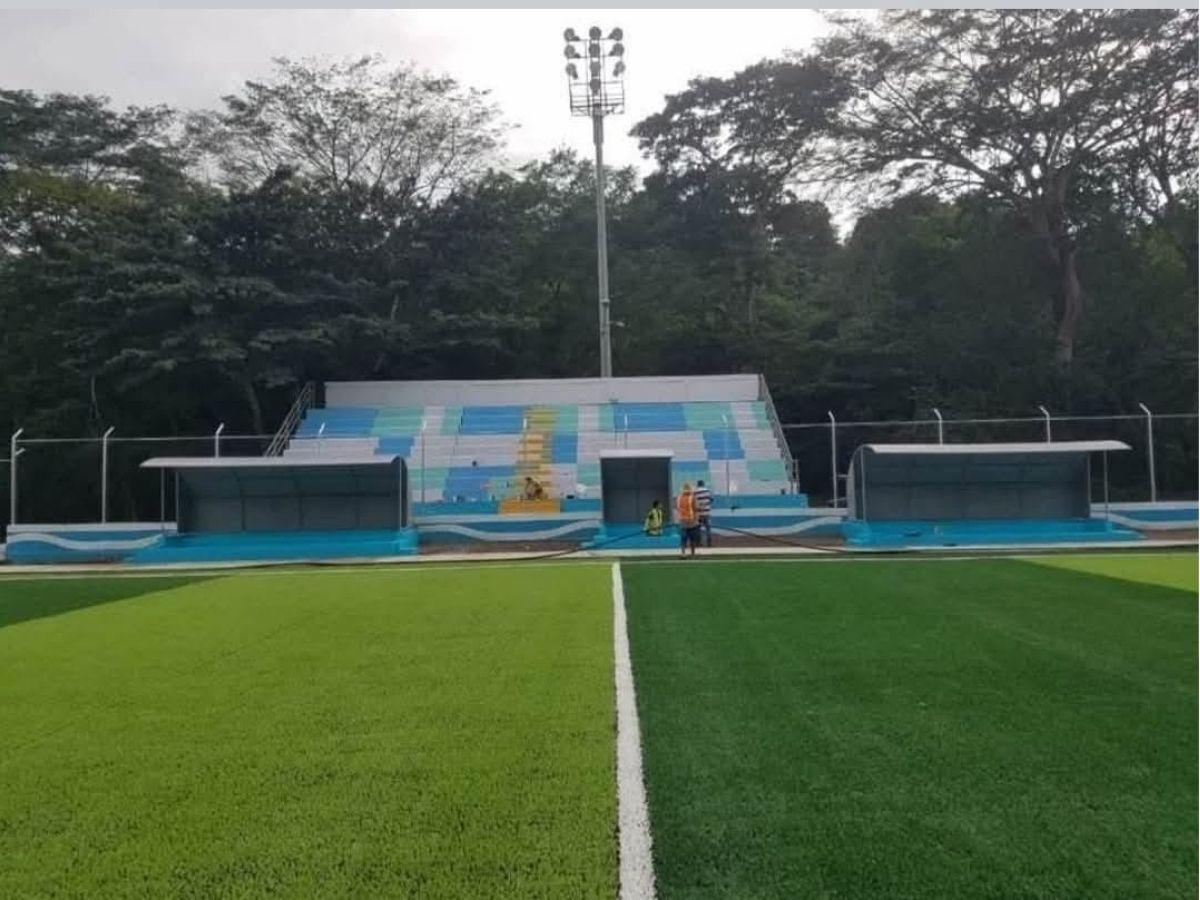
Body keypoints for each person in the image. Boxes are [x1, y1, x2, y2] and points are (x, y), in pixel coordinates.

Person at [676, 482, 700, 558]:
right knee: (692, 539)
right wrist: (697, 520)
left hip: (682, 521)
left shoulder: (679, 497)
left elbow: (677, 508)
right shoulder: (692, 497)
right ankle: (692, 554)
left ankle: (683, 554)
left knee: (683, 539)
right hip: (691, 521)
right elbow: (696, 509)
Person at [694, 479, 713, 547]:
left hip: (698, 514)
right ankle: (709, 543)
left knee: (698, 528)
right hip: (707, 513)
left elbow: (693, 502)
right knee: (708, 528)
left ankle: (699, 543)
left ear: (698, 485)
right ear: (703, 484)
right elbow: (711, 499)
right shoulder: (708, 491)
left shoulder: (695, 492)